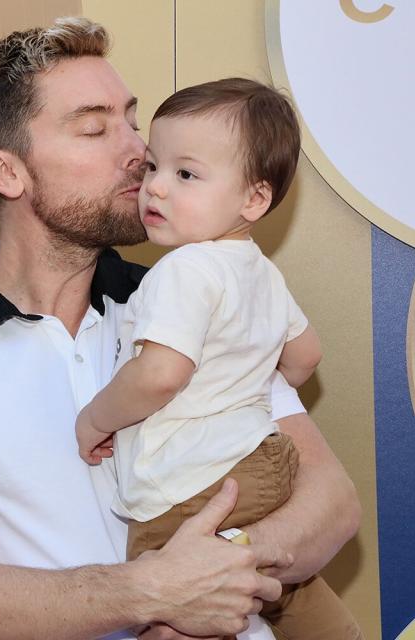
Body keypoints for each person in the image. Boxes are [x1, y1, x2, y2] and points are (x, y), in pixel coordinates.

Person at [0, 17, 360, 640]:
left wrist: (228, 558)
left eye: (131, 117)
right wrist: (159, 590)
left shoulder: (195, 292)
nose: (139, 150)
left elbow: (333, 502)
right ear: (7, 172)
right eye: (96, 128)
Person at [74, 78, 361, 639]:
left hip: (191, 487)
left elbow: (159, 376)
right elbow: (305, 355)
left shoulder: (182, 270)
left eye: (185, 174)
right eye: (153, 166)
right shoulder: (260, 271)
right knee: (291, 592)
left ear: (254, 198)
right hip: (267, 464)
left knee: (168, 596)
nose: (154, 187)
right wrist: (247, 385)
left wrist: (95, 419)